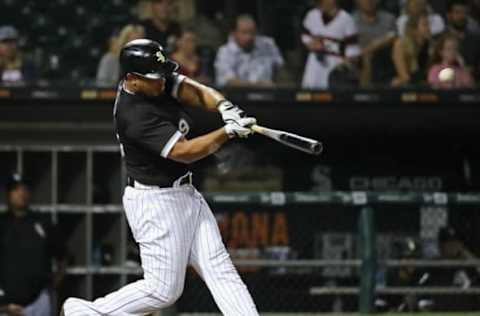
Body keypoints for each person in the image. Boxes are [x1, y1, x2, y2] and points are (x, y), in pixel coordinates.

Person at [61, 39, 259, 315]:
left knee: (219, 269)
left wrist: (224, 107)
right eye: (155, 78)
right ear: (132, 78)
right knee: (163, 290)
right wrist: (227, 132)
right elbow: (184, 152)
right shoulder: (134, 114)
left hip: (185, 193)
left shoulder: (156, 82)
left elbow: (190, 88)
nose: (163, 81)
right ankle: (87, 312)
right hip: (156, 201)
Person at [0, 173, 66, 316]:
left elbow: (62, 257)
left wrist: (51, 288)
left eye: (24, 189)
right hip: (6, 303)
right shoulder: (2, 224)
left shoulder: (43, 223)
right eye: (16, 190)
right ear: (8, 194)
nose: (21, 193)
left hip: (39, 301)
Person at [301, 0, 361, 89]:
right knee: (309, 95)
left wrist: (346, 63)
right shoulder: (312, 15)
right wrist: (311, 44)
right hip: (315, 63)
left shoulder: (346, 19)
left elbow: (353, 49)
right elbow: (305, 35)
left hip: (336, 65)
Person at [214, 15, 284, 88]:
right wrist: (258, 85)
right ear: (234, 33)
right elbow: (229, 82)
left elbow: (280, 71)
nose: (249, 37)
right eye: (244, 32)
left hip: (270, 95)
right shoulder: (224, 52)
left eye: (252, 32)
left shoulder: (268, 45)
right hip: (237, 97)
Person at [353, 0, 397, 86]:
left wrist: (376, 45)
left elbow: (393, 37)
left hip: (385, 60)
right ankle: (365, 92)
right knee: (366, 57)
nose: (368, 1)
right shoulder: (352, 20)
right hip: (361, 61)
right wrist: (368, 50)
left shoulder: (389, 19)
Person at [391, 14, 432, 86]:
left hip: (420, 81)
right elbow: (404, 76)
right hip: (397, 79)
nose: (429, 28)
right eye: (425, 25)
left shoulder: (429, 45)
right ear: (414, 29)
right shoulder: (401, 44)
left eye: (428, 24)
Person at [445, 0, 480, 81]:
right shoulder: (440, 39)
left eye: (464, 12)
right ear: (449, 15)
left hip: (472, 85)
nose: (462, 16)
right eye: (457, 12)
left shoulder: (476, 40)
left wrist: (473, 69)